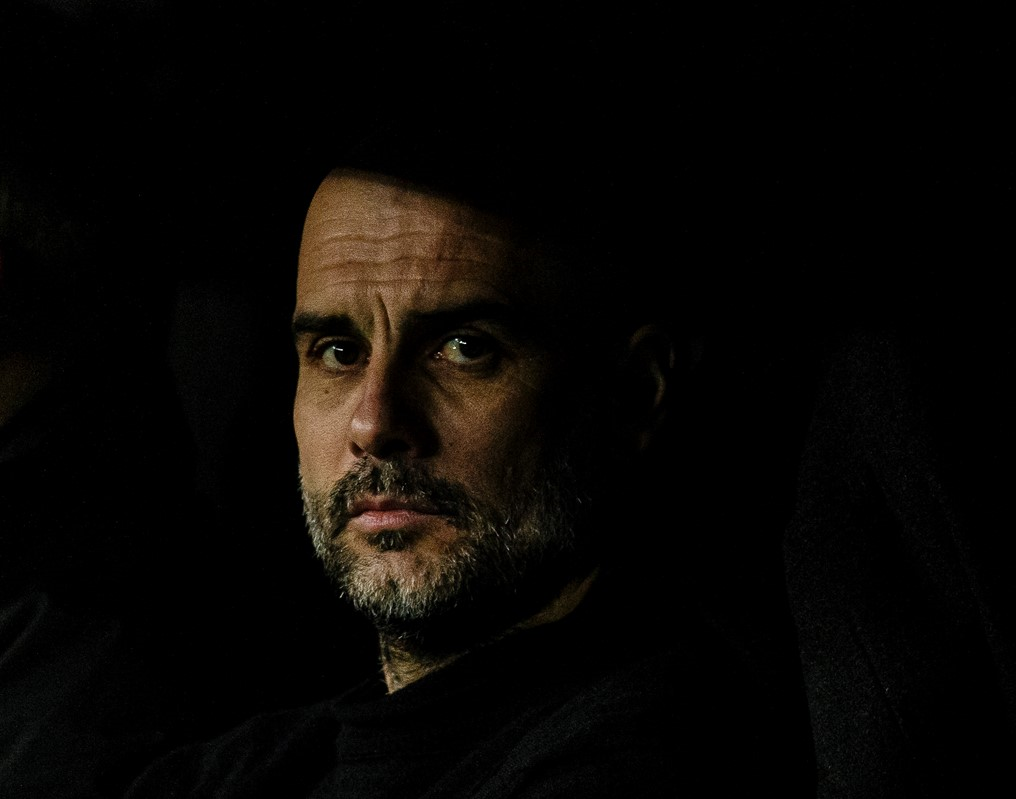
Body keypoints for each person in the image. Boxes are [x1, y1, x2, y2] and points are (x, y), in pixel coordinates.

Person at [121, 121, 815, 798]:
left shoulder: (660, 755)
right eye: (338, 351)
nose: (374, 424)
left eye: (464, 348)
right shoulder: (227, 771)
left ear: (632, 394)